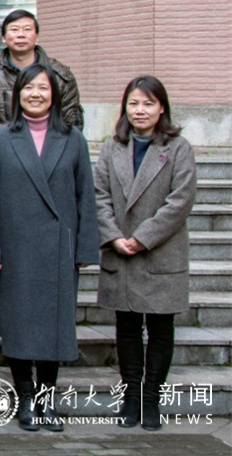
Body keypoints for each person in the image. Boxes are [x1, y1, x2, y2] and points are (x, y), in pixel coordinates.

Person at [0, 66, 99, 432]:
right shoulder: (1, 138)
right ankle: (26, 399)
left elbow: (85, 196)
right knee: (17, 326)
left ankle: (47, 400)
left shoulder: (72, 138)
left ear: (54, 94)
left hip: (57, 249)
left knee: (54, 327)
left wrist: (85, 248)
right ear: (17, 94)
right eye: (28, 87)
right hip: (15, 248)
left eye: (43, 88)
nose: (35, 94)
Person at [0, 9, 86, 338]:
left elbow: (72, 120)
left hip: (50, 161)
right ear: (3, 36)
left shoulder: (61, 75)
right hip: (6, 161)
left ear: (37, 34)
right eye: (13, 29)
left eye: (26, 29)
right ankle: (3, 316)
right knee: (8, 248)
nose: (20, 35)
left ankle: (52, 323)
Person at [95, 76, 197, 432]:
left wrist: (142, 238)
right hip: (120, 251)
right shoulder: (112, 148)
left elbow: (180, 201)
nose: (140, 110)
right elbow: (99, 196)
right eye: (134, 103)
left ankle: (151, 398)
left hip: (159, 253)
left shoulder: (178, 148)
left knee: (160, 329)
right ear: (125, 107)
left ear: (161, 107)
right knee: (127, 329)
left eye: (148, 103)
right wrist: (113, 236)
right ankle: (131, 398)